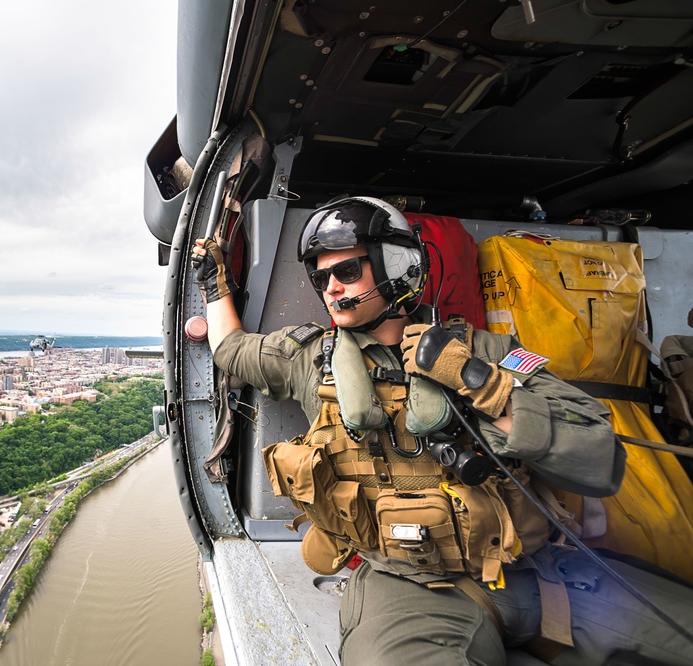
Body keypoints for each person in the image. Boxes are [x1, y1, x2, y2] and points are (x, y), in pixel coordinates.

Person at [192, 196, 693, 665]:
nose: (331, 290)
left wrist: (481, 385)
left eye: (346, 271)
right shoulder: (307, 359)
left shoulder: (493, 354)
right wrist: (215, 285)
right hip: (408, 587)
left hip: (537, 572)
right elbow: (231, 350)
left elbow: (600, 458)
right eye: (321, 279)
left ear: (395, 265)